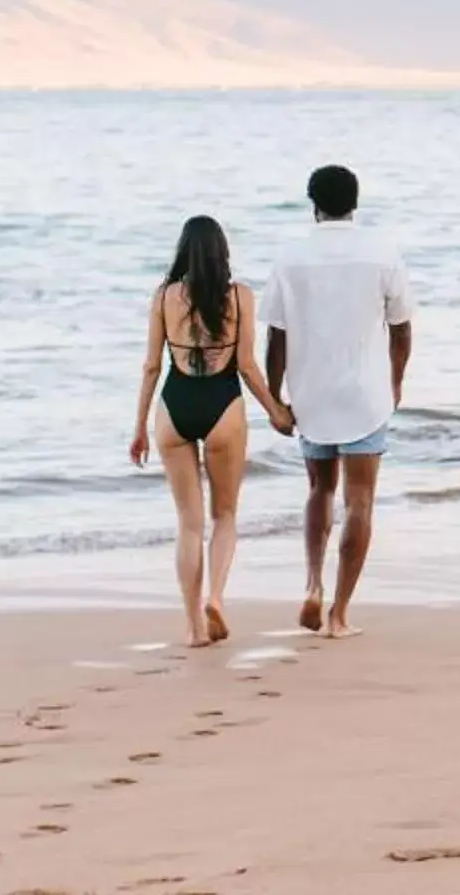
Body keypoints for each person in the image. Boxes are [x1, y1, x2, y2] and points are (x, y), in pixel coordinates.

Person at [261, 164, 414, 638]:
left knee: (319, 491)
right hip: (365, 394)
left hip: (312, 395)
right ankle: (339, 616)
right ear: (355, 202)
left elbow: (276, 337)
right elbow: (401, 328)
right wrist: (396, 381)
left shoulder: (290, 257)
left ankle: (312, 584)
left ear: (313, 204)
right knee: (360, 502)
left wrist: (276, 397)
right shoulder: (383, 251)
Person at [130, 214, 293, 647]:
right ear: (223, 252)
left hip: (174, 407)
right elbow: (246, 366)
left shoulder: (164, 296)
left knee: (188, 523)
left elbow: (150, 366)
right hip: (223, 407)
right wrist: (276, 411)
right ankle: (216, 598)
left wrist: (140, 427)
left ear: (182, 251)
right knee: (225, 516)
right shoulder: (239, 297)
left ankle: (194, 628)